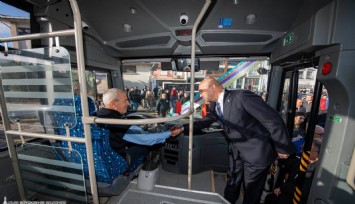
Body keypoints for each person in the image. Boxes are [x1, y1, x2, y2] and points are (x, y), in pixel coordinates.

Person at [195, 78, 296, 204]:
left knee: (251, 191)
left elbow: (272, 120)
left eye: (201, 91)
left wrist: (282, 147)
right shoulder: (214, 105)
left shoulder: (241, 97)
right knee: (232, 183)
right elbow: (206, 121)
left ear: (213, 87)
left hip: (256, 153)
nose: (200, 95)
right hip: (236, 152)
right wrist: (182, 127)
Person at [96, 88, 183, 164]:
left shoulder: (95, 116)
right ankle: (148, 166)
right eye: (125, 100)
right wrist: (169, 133)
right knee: (144, 146)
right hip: (117, 161)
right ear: (113, 104)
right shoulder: (118, 123)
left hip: (101, 159)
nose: (128, 104)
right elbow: (146, 139)